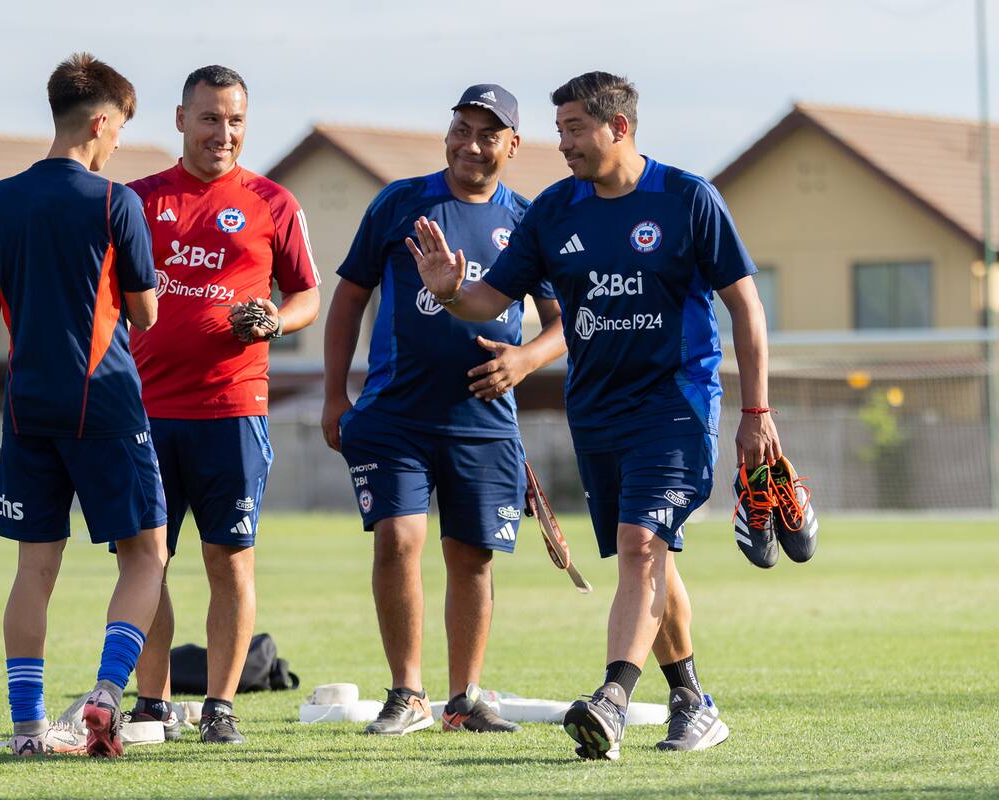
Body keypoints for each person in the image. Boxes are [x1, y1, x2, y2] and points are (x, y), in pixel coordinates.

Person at [406, 71, 781, 759]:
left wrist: (755, 411)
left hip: (676, 406)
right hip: (597, 414)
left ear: (619, 128)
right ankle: (694, 702)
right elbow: (493, 300)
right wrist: (453, 293)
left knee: (642, 548)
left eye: (575, 129)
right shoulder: (553, 211)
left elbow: (747, 310)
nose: (564, 144)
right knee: (650, 559)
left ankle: (612, 699)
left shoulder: (687, 198)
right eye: (560, 131)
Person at [322, 84, 566, 736]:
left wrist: (523, 362)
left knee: (473, 557)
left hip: (485, 424)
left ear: (512, 146)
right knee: (399, 539)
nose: (470, 144)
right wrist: (333, 394)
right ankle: (408, 692)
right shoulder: (402, 202)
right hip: (395, 415)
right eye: (462, 128)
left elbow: (561, 323)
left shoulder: (529, 218)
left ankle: (465, 698)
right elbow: (347, 298)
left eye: (488, 134)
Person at [0, 53, 168, 758]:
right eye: (119, 133)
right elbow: (143, 316)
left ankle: (26, 731)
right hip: (106, 406)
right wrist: (153, 284)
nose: (116, 147)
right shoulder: (117, 203)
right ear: (102, 124)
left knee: (33, 570)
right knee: (147, 554)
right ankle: (107, 696)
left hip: (25, 412)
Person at [122, 65, 321, 745]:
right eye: (210, 118)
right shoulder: (136, 200)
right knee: (145, 560)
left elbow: (307, 297)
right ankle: (152, 702)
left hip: (233, 411)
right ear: (181, 121)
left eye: (235, 119)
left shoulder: (273, 201)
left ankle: (220, 705)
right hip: (143, 413)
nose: (223, 132)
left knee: (228, 561)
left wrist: (275, 319)